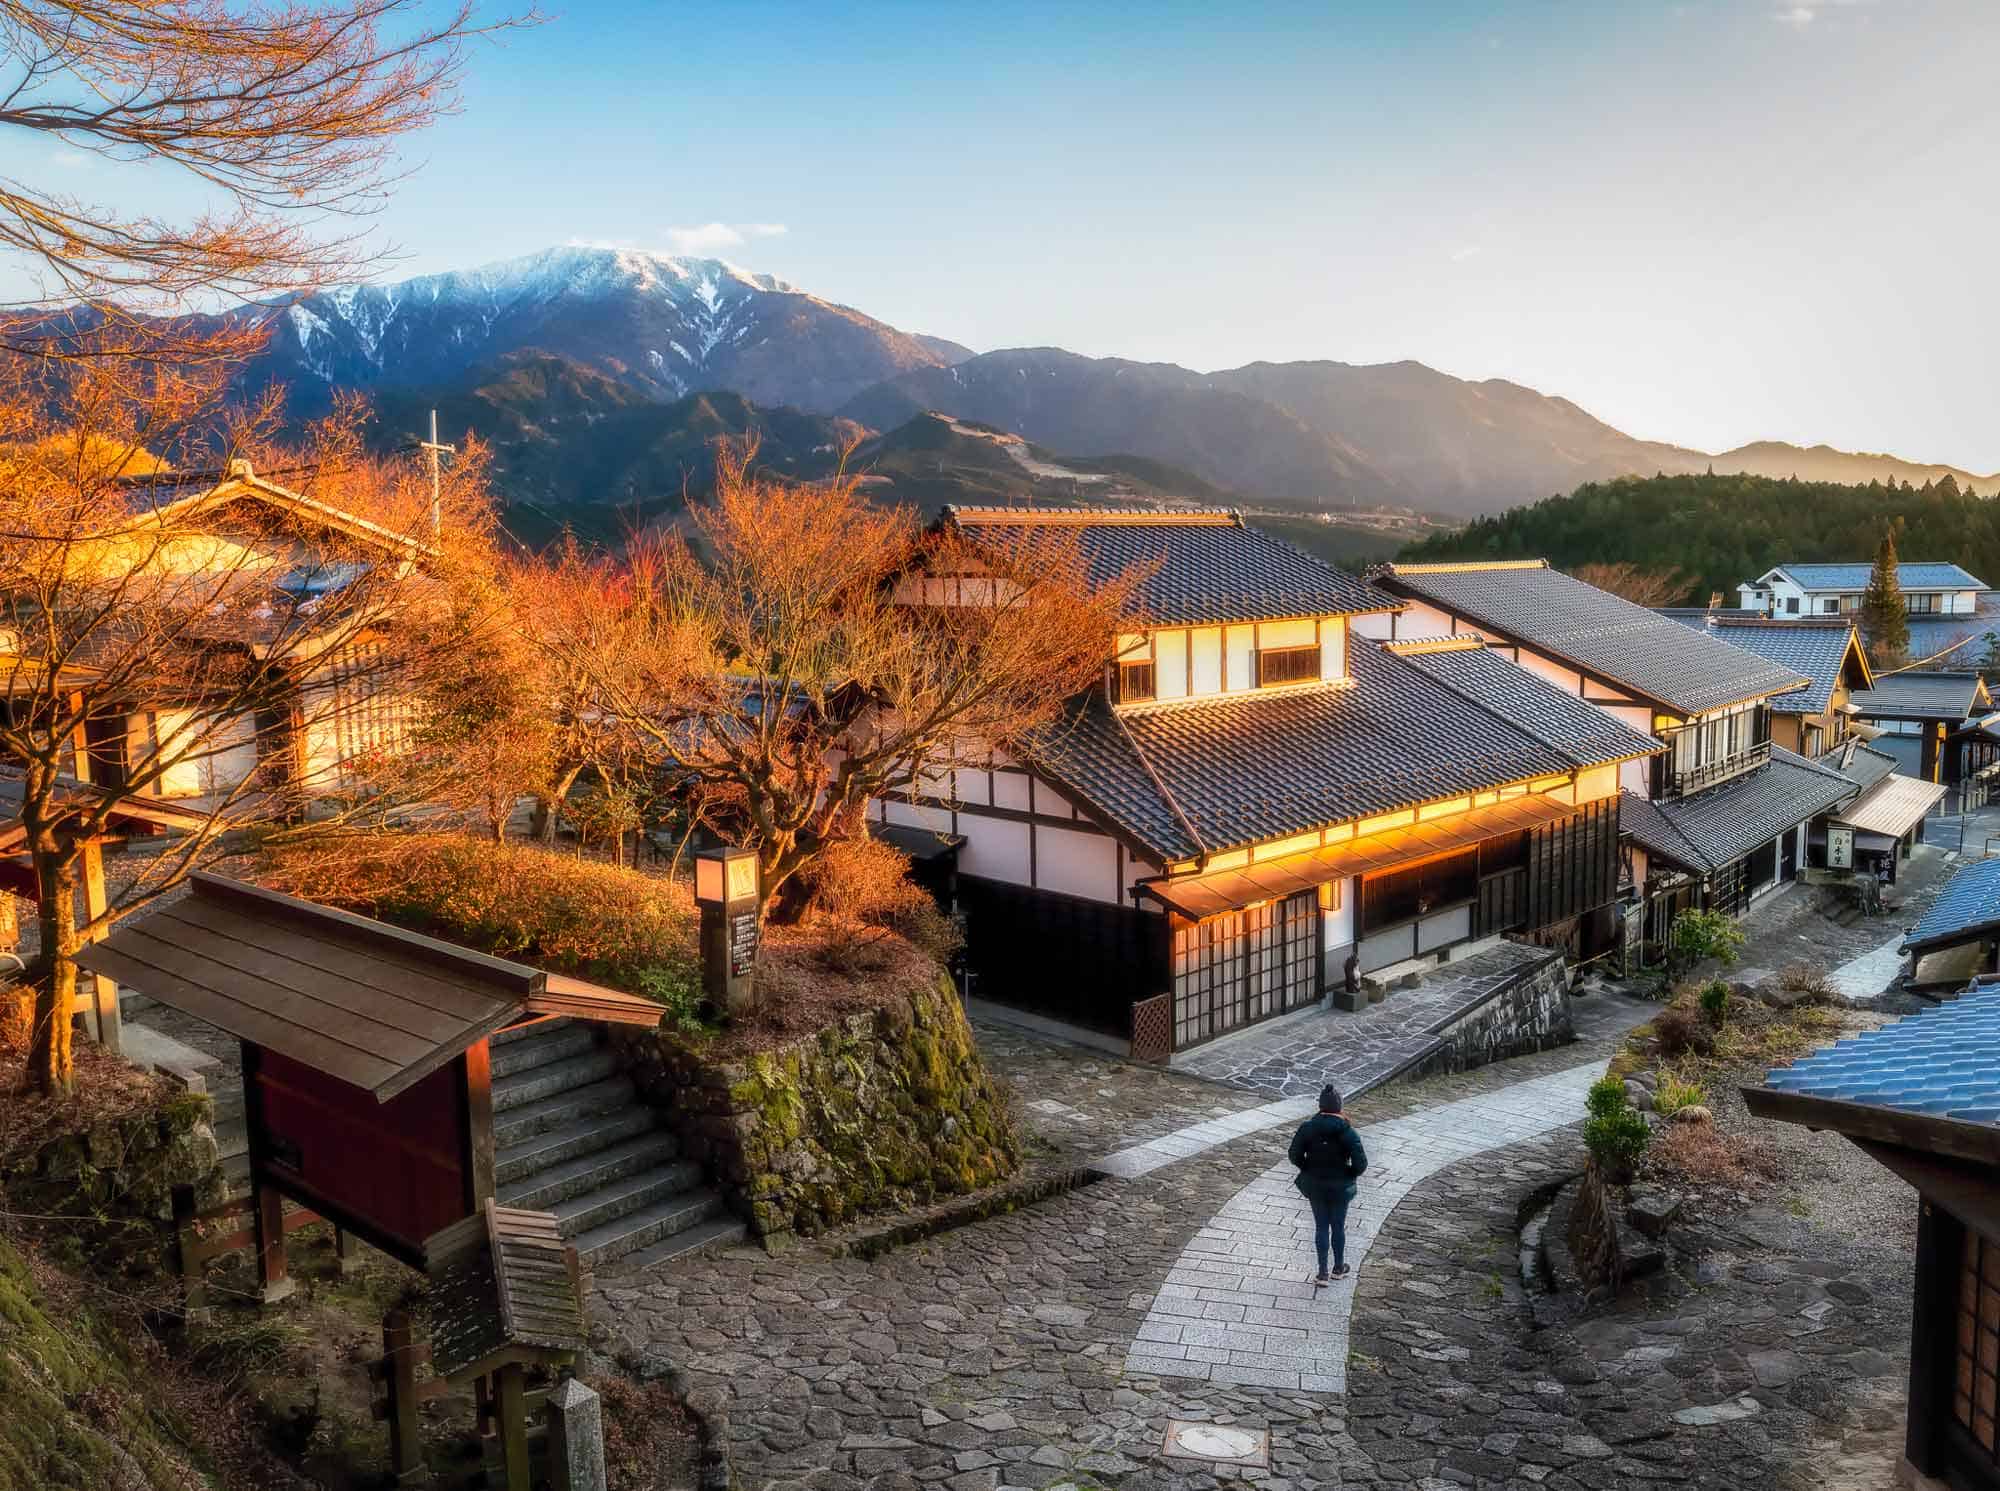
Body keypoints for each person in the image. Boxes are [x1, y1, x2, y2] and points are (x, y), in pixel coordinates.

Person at [1289, 1084, 1367, 1286]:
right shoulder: (1348, 1131)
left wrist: (1307, 1167)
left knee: (1321, 1226)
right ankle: (1339, 1268)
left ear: (1321, 1106)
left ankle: (1322, 1272)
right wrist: (1349, 1173)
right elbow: (1361, 1163)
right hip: (1340, 1186)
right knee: (1338, 1226)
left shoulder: (1308, 1128)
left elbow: (1294, 1155)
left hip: (1316, 1185)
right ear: (1339, 1107)